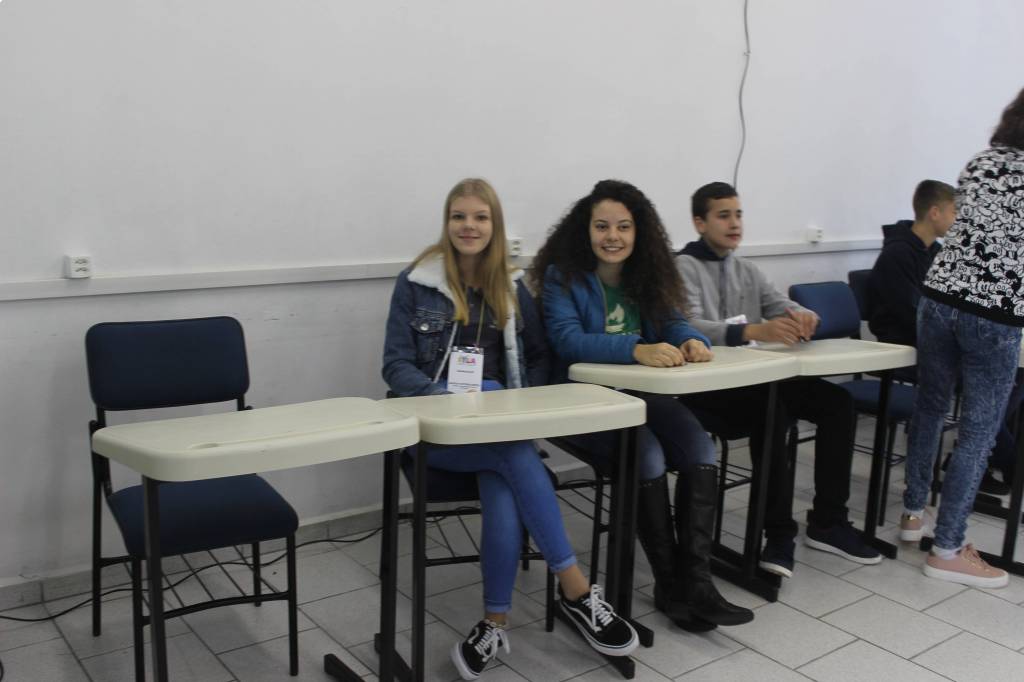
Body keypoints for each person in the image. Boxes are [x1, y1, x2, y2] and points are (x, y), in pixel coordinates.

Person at [382, 178, 638, 680]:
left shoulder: (513, 286)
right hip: (436, 429)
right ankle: (576, 590)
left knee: (505, 477)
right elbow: (395, 366)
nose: (469, 226)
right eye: (459, 216)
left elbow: (539, 357)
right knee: (514, 457)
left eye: (480, 217)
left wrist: (517, 403)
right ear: (447, 223)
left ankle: (494, 622)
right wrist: (444, 396)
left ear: (494, 226)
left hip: (500, 424)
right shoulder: (416, 283)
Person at [533, 179, 754, 633]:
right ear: (585, 230)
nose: (612, 236)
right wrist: (636, 348)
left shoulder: (648, 273)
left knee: (700, 449)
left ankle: (698, 585)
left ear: (640, 232)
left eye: (623, 227)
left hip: (640, 394)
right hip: (581, 401)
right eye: (602, 226)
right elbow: (568, 341)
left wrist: (689, 339)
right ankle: (669, 584)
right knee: (647, 455)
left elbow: (672, 321)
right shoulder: (562, 276)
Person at [676, 181, 882, 578]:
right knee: (773, 412)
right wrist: (754, 331)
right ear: (700, 223)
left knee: (837, 403)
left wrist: (805, 317)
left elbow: (782, 305)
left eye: (738, 215)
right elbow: (688, 325)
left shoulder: (747, 269)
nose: (735, 223)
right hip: (707, 388)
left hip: (756, 377)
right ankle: (779, 533)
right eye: (723, 216)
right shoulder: (683, 267)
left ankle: (828, 522)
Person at [898, 87, 1024, 588]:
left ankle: (913, 515)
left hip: (938, 298)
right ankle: (948, 548)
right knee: (977, 432)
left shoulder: (981, 162)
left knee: (930, 407)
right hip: (992, 313)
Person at [867, 180, 956, 348]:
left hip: (932, 336)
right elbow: (911, 313)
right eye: (955, 213)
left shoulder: (937, 252)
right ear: (935, 213)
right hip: (906, 342)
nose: (959, 220)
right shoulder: (896, 254)